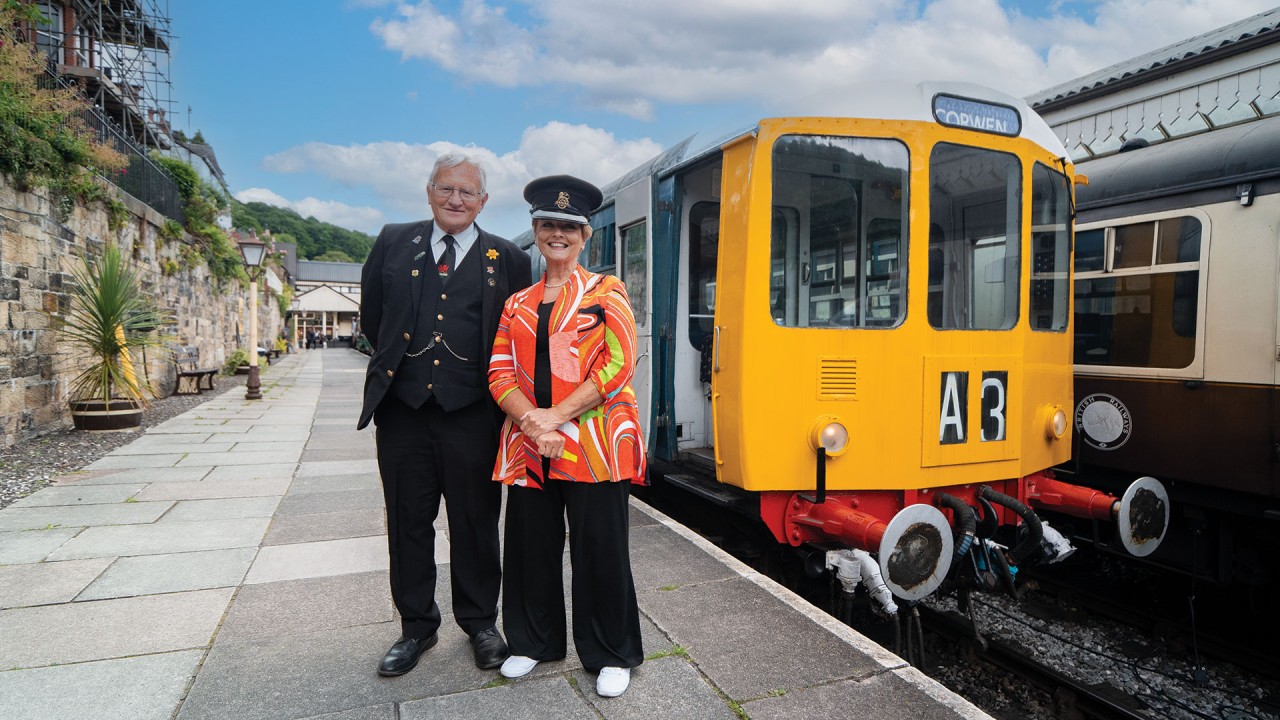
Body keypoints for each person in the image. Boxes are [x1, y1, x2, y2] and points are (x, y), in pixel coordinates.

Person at [357, 153, 531, 677]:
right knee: (407, 521)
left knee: (476, 522)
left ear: (483, 201)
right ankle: (416, 627)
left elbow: (515, 336)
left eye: (467, 192)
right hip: (403, 411)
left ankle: (480, 623)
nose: (456, 200)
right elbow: (372, 316)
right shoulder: (393, 241)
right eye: (446, 188)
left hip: (474, 415)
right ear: (429, 191)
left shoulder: (508, 257)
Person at [487, 175, 646, 698]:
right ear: (535, 231)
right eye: (548, 224)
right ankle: (533, 641)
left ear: (585, 236)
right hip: (530, 442)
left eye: (569, 227)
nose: (558, 234)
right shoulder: (517, 302)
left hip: (597, 443)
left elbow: (618, 365)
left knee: (601, 548)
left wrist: (556, 417)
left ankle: (612, 652)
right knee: (530, 546)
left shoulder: (607, 291)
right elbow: (499, 372)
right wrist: (534, 422)